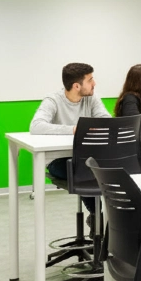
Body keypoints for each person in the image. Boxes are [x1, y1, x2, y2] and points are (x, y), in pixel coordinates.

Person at [30, 62, 110, 216]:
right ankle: (98, 216)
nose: (94, 83)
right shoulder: (53, 100)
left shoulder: (91, 98)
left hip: (85, 156)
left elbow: (106, 121)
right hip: (58, 160)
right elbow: (36, 126)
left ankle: (104, 218)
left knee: (103, 167)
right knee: (88, 170)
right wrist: (73, 129)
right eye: (90, 80)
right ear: (76, 86)